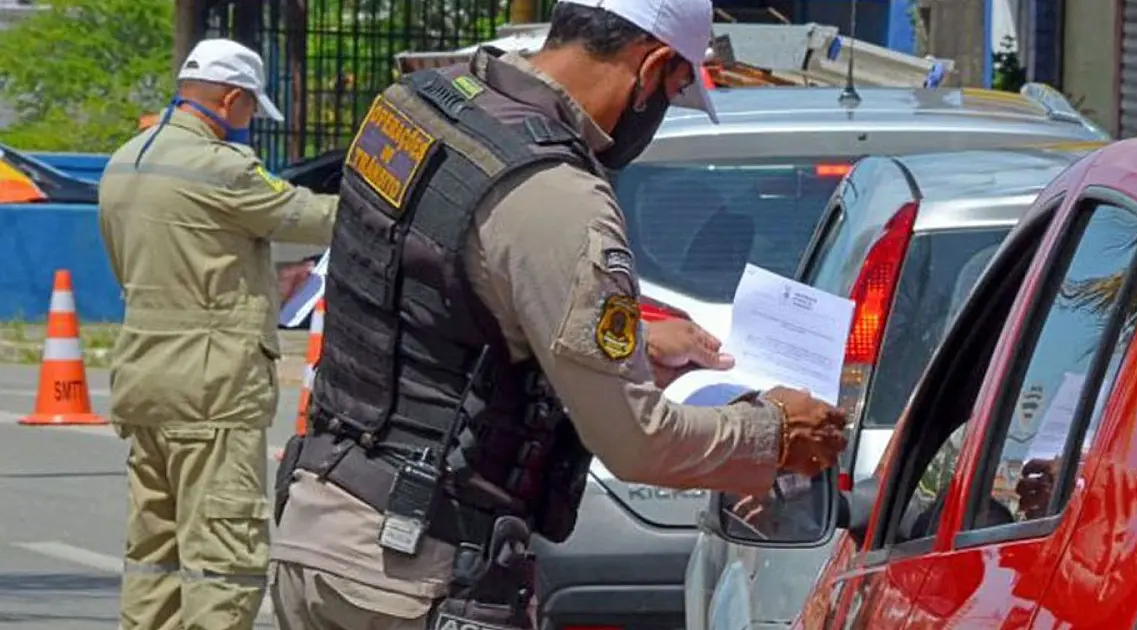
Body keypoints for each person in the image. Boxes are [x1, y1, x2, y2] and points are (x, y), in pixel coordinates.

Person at [268, 1, 848, 628]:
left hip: (315, 534)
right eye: (676, 90)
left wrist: (632, 345)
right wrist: (776, 433)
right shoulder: (558, 194)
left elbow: (430, 305)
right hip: (413, 574)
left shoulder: (416, 106)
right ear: (652, 66)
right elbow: (637, 443)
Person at [97, 37, 339, 630]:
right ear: (231, 99)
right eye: (251, 106)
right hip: (211, 389)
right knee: (224, 556)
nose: (251, 118)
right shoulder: (221, 169)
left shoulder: (125, 161)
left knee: (154, 553)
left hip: (144, 380)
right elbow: (313, 218)